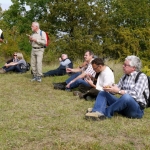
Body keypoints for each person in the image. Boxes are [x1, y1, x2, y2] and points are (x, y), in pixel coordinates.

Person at [85, 55, 149, 120]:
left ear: (133, 68)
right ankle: (97, 111)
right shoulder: (125, 76)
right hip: (124, 105)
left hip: (136, 109)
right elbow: (116, 89)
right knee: (103, 93)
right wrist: (110, 88)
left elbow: (136, 94)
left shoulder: (142, 77)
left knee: (126, 97)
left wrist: (119, 91)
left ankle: (105, 112)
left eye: (125, 65)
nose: (123, 66)